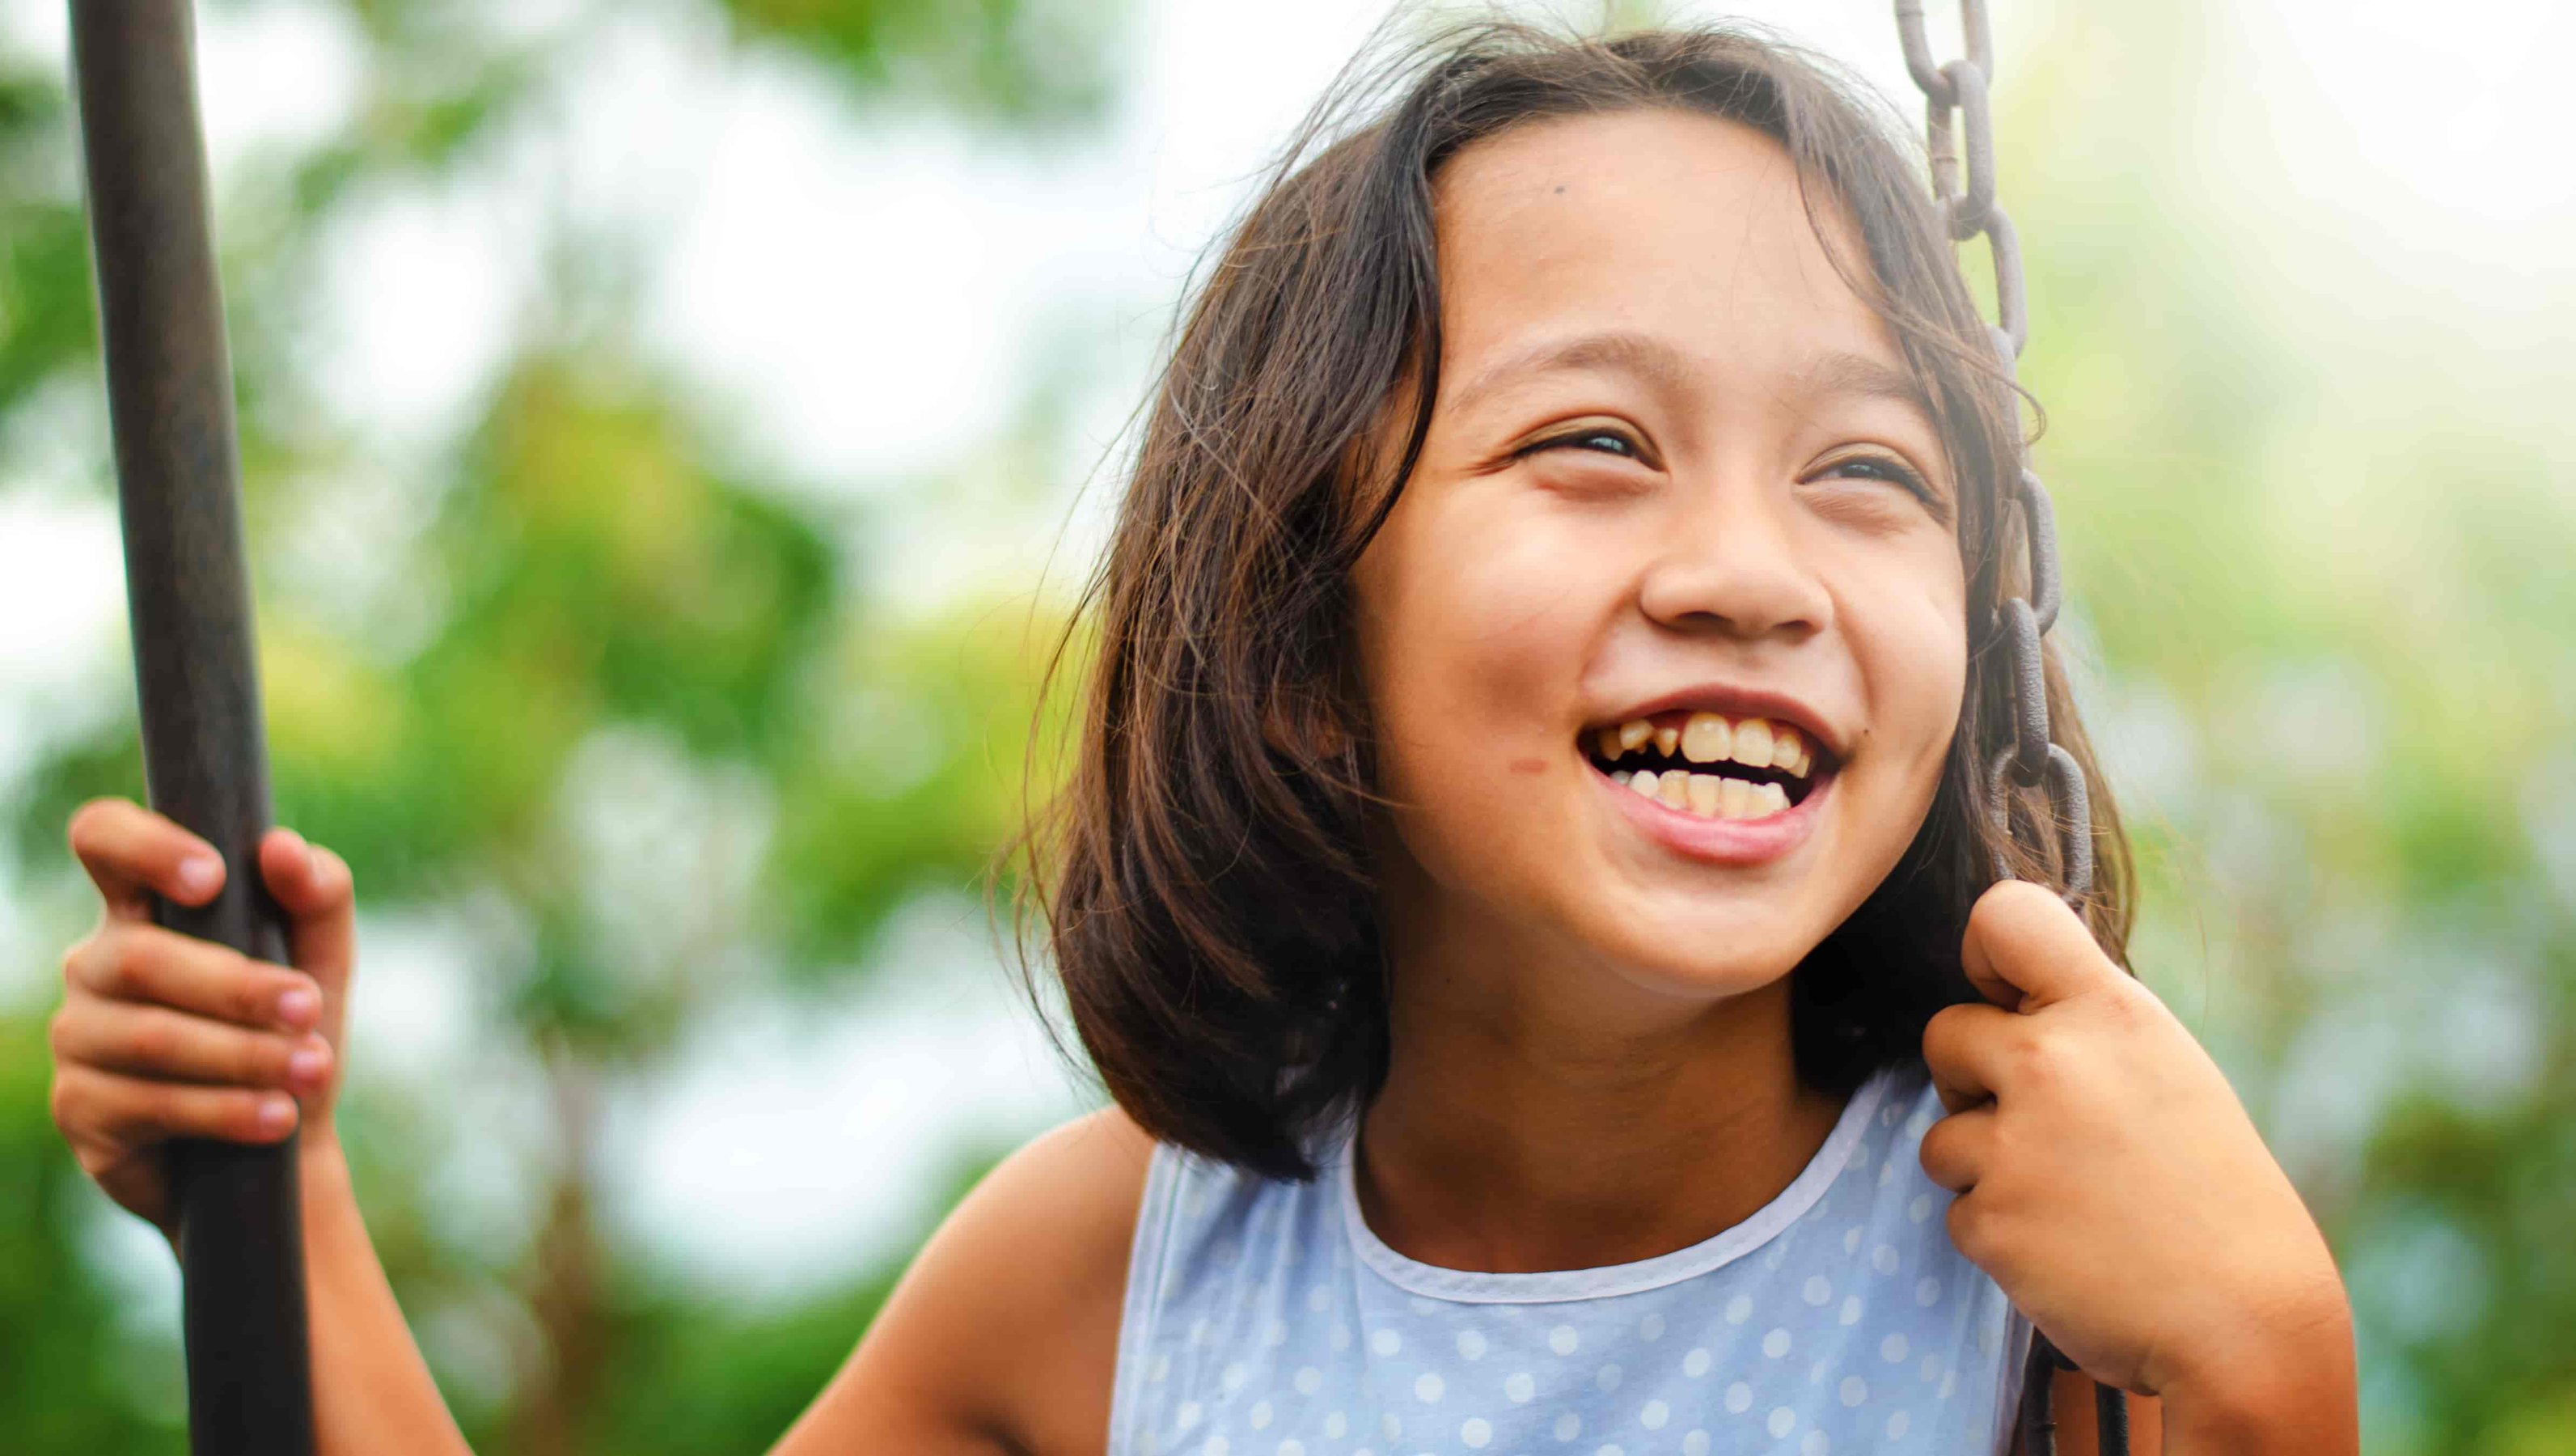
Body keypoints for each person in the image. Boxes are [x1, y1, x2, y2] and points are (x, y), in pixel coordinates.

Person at [44, 20, 2356, 1456]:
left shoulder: (2045, 1273)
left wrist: (2263, 1384)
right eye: (1591, 447)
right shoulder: (1114, 1279)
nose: (1750, 564)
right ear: (1302, 621)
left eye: (1865, 474)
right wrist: (289, 1201)